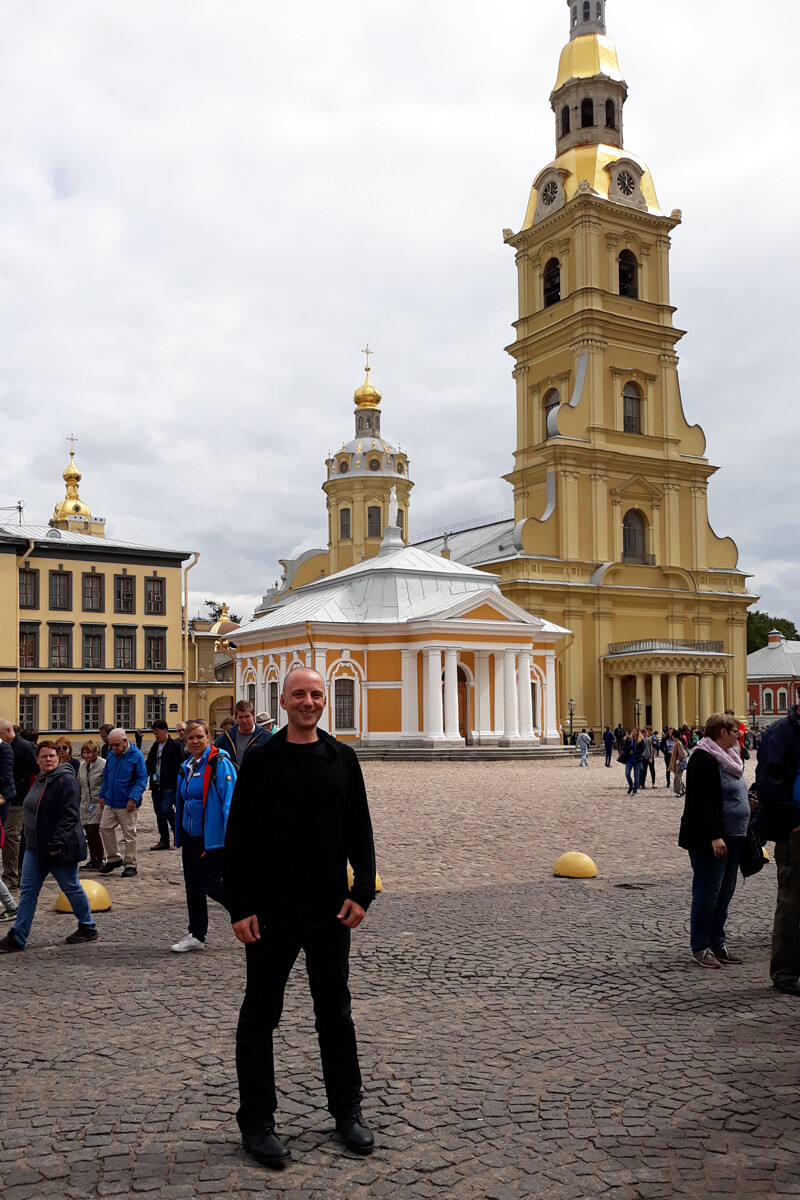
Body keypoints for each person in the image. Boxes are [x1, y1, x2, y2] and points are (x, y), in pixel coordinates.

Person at [224, 666, 377, 1164]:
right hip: (270, 913)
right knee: (260, 1016)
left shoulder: (342, 758)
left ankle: (347, 1111)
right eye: (299, 695)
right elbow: (240, 835)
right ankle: (257, 1122)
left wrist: (363, 893)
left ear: (323, 701)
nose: (308, 701)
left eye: (316, 694)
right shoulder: (262, 759)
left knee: (335, 1013)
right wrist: (240, 905)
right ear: (283, 701)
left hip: (330, 910)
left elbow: (360, 831)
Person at [0, 741, 98, 953]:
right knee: (27, 891)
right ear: (38, 760)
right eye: (44, 756)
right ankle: (17, 936)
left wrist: (56, 843)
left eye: (52, 755)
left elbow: (70, 815)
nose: (49, 759)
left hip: (58, 848)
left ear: (59, 757)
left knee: (71, 887)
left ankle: (88, 926)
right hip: (35, 848)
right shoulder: (40, 779)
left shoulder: (66, 780)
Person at [678, 713, 752, 969]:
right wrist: (714, 836)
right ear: (722, 732)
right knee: (707, 893)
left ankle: (717, 943)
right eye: (735, 732)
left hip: (734, 835)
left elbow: (730, 793)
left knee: (725, 893)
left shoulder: (729, 758)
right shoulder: (702, 758)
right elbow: (701, 803)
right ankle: (700, 947)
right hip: (711, 840)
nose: (738, 736)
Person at [171, 720, 236, 953]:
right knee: (193, 887)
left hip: (213, 837)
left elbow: (231, 803)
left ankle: (250, 916)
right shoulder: (187, 764)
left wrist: (234, 836)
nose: (195, 741)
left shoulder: (220, 763)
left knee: (212, 885)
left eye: (200, 737)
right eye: (191, 738)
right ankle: (197, 934)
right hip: (191, 835)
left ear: (209, 737)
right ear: (185, 741)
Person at [753, 701, 800, 994]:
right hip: (795, 830)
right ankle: (785, 972)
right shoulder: (780, 733)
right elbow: (767, 784)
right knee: (793, 901)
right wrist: (793, 820)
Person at [99, 728, 147, 878]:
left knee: (129, 834)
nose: (113, 748)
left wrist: (133, 798)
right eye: (111, 745)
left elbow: (141, 780)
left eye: (116, 745)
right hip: (111, 800)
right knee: (104, 827)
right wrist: (102, 795)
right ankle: (114, 858)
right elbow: (106, 776)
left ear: (125, 741)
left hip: (127, 803)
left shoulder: (137, 756)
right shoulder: (112, 755)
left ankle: (131, 864)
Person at [0, 719, 37, 891]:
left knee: (11, 836)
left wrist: (19, 783)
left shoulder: (24, 746)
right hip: (10, 797)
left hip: (19, 799)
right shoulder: (8, 746)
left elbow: (35, 771)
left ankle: (11, 877)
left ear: (8, 730)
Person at [145, 720, 184, 850]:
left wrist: (178, 783)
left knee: (166, 808)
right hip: (156, 785)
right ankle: (164, 839)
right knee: (159, 812)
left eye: (158, 734)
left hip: (170, 785)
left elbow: (180, 765)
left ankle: (177, 830)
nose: (156, 736)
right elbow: (149, 764)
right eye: (154, 734)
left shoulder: (174, 746)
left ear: (166, 731)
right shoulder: (155, 746)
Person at [216, 700, 272, 768]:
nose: (244, 721)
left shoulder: (266, 737)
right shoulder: (225, 738)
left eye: (247, 716)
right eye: (241, 717)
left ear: (253, 715)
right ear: (236, 718)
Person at [78, 739, 106, 871]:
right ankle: (93, 859)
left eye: (88, 752)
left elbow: (105, 782)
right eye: (84, 753)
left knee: (93, 830)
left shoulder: (103, 764)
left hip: (97, 802)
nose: (85, 755)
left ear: (95, 752)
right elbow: (80, 783)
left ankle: (100, 858)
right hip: (85, 803)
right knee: (88, 831)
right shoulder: (82, 765)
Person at [622, 727, 645, 794]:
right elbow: (625, 747)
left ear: (638, 732)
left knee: (636, 775)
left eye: (635, 731)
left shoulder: (641, 740)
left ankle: (635, 789)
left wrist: (634, 751)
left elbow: (642, 749)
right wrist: (628, 750)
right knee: (627, 773)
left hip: (637, 759)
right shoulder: (629, 739)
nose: (634, 732)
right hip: (629, 759)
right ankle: (630, 785)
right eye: (633, 731)